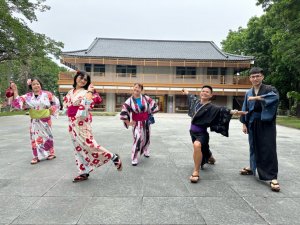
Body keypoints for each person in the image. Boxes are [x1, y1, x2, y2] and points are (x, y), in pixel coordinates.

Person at [63, 70, 122, 182]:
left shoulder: (87, 92)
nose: (83, 80)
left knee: (89, 144)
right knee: (78, 148)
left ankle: (113, 156)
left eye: (85, 79)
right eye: (81, 77)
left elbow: (88, 106)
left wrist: (89, 92)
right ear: (76, 78)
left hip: (82, 122)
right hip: (71, 122)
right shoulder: (70, 92)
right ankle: (83, 172)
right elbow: (66, 105)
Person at [182, 85, 246, 183]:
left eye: (207, 92)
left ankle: (196, 171)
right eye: (203, 91)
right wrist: (186, 91)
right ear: (200, 93)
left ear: (211, 95)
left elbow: (225, 110)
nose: (204, 93)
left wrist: (239, 112)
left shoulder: (213, 107)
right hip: (192, 132)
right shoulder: (195, 102)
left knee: (197, 145)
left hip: (202, 133)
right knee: (204, 149)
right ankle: (210, 157)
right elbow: (190, 95)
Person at [239, 67, 280, 192]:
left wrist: (258, 98)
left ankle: (272, 176)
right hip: (252, 121)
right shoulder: (248, 92)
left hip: (266, 122)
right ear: (250, 78)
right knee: (253, 145)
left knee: (269, 147)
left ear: (262, 77)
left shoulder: (269, 89)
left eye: (257, 76)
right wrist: (244, 123)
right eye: (252, 76)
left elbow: (275, 98)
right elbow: (245, 107)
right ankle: (253, 167)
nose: (255, 78)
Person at [11, 78, 60, 164]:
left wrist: (52, 109)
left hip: (45, 119)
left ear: (40, 85)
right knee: (34, 137)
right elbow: (18, 103)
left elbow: (56, 103)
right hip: (34, 120)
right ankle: (36, 156)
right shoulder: (28, 96)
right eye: (33, 84)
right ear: (31, 86)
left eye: (37, 84)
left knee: (48, 136)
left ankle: (50, 153)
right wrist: (15, 91)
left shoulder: (47, 94)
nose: (36, 85)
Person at [120, 83, 159, 166]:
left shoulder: (146, 98)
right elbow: (124, 111)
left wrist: (150, 113)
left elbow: (154, 105)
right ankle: (134, 157)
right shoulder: (129, 100)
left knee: (146, 137)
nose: (136, 89)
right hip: (136, 123)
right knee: (137, 138)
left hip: (146, 122)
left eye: (138, 88)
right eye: (135, 87)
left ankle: (146, 150)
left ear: (141, 89)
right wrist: (128, 123)